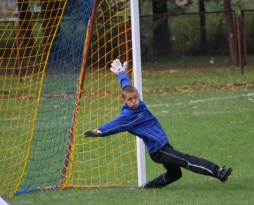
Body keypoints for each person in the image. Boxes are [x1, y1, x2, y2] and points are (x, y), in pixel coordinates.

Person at [83, 59, 232, 188]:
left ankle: (149, 188)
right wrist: (99, 132)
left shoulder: (138, 103)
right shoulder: (128, 117)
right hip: (158, 150)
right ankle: (218, 172)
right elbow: (113, 126)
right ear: (124, 101)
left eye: (136, 97)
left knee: (175, 174)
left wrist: (121, 73)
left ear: (138, 96)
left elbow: (126, 85)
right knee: (185, 159)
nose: (134, 101)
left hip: (164, 145)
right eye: (130, 99)